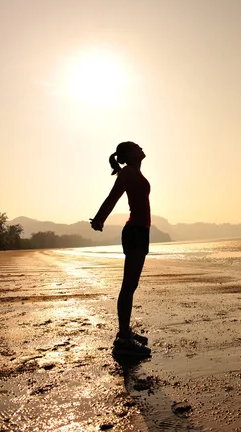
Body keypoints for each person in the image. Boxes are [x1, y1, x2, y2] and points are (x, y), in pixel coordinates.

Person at [90, 141, 151, 359]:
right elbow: (112, 197)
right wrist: (99, 219)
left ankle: (126, 332)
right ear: (128, 154)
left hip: (140, 230)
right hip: (134, 231)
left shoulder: (135, 172)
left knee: (131, 285)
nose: (141, 147)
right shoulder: (126, 173)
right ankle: (124, 338)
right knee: (128, 285)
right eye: (136, 146)